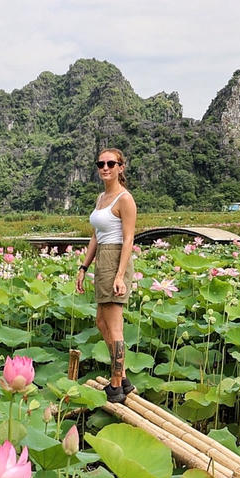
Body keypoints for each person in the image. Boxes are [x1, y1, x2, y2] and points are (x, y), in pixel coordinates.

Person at [76, 147, 138, 404]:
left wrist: (120, 275)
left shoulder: (125, 199)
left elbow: (128, 238)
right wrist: (83, 268)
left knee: (115, 327)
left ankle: (116, 385)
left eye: (111, 164)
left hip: (116, 260)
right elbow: (95, 236)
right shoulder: (101, 198)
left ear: (121, 167)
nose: (105, 168)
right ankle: (122, 376)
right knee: (101, 323)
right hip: (102, 258)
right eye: (100, 163)